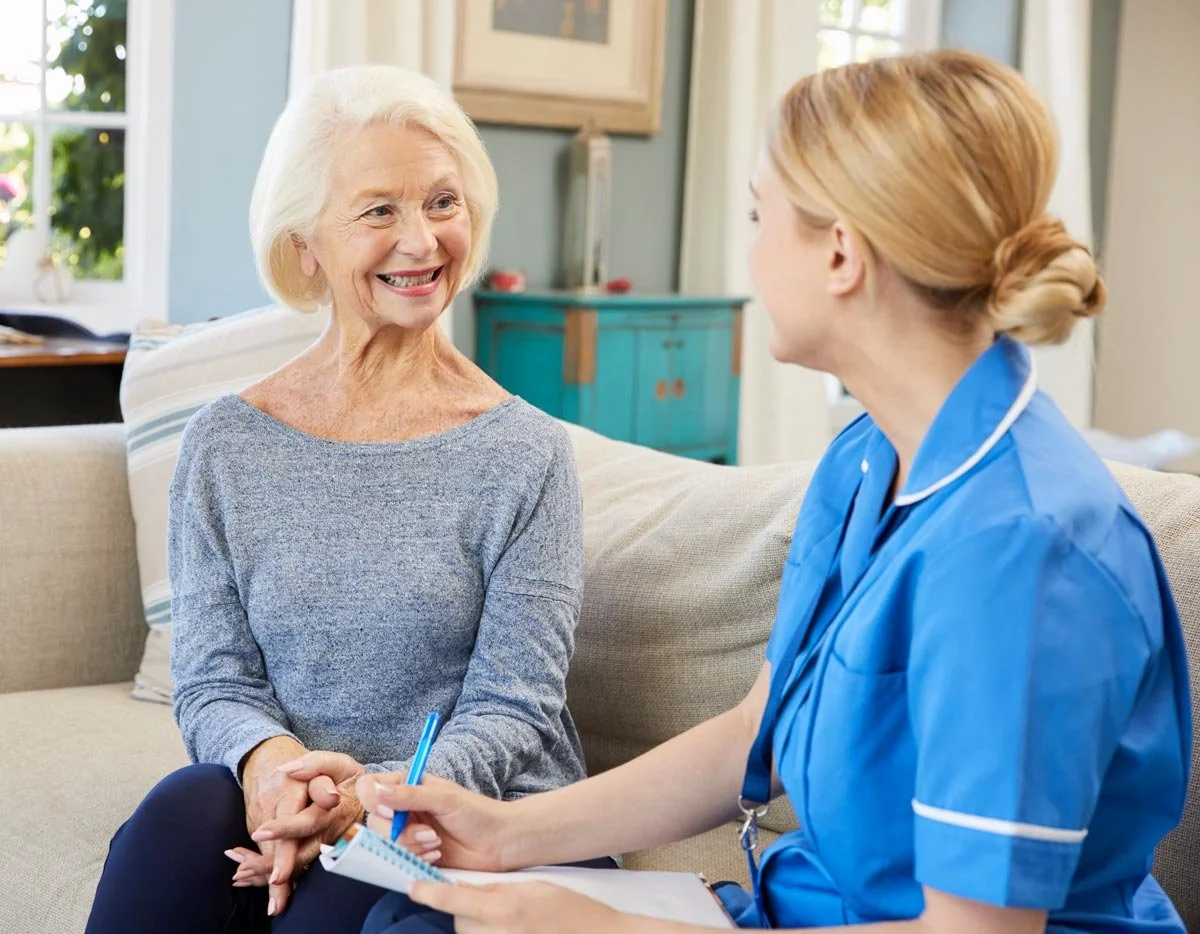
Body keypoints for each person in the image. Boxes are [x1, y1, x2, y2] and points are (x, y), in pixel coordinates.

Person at [269, 49, 1192, 934]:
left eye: (760, 217)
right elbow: (754, 731)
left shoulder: (1026, 555)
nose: (748, 257)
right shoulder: (869, 459)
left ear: (841, 255)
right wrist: (503, 831)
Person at [85, 64, 589, 934]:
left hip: (455, 806)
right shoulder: (225, 447)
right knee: (174, 822)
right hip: (289, 795)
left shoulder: (525, 454)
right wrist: (277, 775)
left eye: (442, 202)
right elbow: (213, 678)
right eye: (378, 210)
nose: (422, 241)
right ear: (304, 245)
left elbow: (516, 709)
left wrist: (363, 799)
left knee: (330, 907)